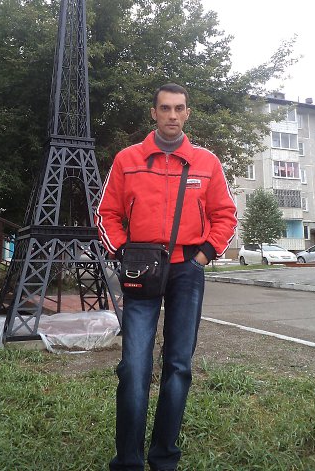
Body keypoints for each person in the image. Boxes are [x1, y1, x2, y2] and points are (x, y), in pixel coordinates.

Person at [95, 83, 237, 471]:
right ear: (153, 113)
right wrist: (122, 251)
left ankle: (163, 458)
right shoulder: (128, 159)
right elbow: (106, 213)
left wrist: (204, 255)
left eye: (179, 108)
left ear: (187, 113)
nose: (172, 115)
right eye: (165, 108)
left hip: (187, 270)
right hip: (141, 267)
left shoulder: (206, 162)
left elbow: (226, 215)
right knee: (134, 367)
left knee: (178, 365)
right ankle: (129, 461)